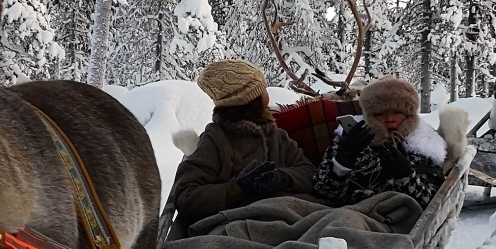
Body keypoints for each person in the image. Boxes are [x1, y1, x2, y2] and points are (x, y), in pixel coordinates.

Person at [170, 60, 315, 224]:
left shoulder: (277, 136)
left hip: (292, 215)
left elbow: (309, 173)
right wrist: (236, 189)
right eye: (262, 91)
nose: (268, 97)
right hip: (243, 221)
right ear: (250, 102)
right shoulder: (216, 140)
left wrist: (283, 178)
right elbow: (186, 196)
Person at [312, 74, 448, 211]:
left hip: (394, 221)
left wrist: (405, 175)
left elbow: (432, 204)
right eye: (379, 114)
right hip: (346, 213)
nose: (389, 119)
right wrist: (341, 163)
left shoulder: (424, 147)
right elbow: (323, 194)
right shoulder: (351, 140)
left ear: (410, 115)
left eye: (396, 112)